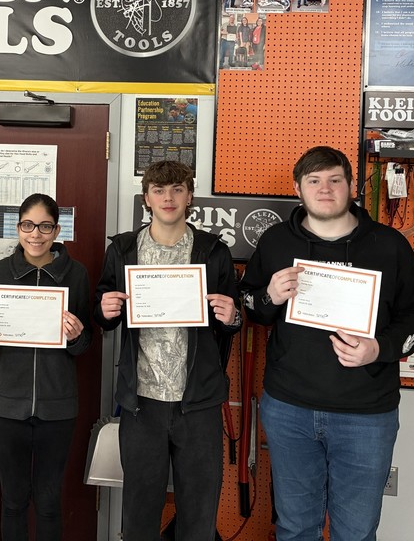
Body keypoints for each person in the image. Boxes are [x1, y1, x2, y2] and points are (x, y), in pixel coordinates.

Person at [240, 146, 414, 541]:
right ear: (298, 189)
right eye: (314, 181)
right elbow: (251, 306)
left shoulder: (388, 245)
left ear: (351, 187)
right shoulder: (277, 241)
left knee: (357, 532)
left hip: (366, 416)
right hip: (289, 410)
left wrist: (378, 348)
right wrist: (269, 297)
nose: (324, 189)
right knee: (294, 528)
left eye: (334, 180)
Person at [95, 160, 240, 541]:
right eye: (159, 190)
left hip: (198, 402)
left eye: (176, 189)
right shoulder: (124, 249)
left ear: (189, 195)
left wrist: (232, 315)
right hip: (142, 401)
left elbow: (233, 319)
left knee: (198, 510)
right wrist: (104, 310)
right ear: (146, 198)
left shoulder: (213, 251)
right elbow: (105, 307)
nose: (168, 198)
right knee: (140, 511)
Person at [0, 193, 92, 541]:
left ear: (57, 230)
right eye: (27, 225)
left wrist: (75, 336)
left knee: (50, 501)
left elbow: (86, 345)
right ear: (18, 227)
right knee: (13, 501)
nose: (35, 234)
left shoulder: (76, 274)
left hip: (58, 405)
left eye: (44, 226)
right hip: (6, 404)